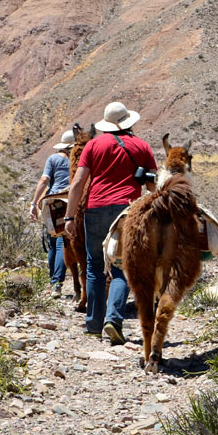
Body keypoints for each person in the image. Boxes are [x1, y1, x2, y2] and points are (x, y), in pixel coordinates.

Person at [65, 101, 157, 345]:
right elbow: (152, 187)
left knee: (94, 267)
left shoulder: (93, 145)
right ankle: (113, 319)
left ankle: (93, 324)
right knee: (122, 267)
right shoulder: (142, 146)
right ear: (128, 122)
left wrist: (70, 217)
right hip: (128, 211)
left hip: (95, 209)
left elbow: (78, 183)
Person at [29, 130, 74, 297]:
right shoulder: (77, 161)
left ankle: (54, 282)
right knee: (64, 243)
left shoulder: (53, 159)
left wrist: (34, 203)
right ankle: (58, 282)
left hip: (53, 202)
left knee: (53, 243)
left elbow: (44, 180)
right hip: (71, 201)